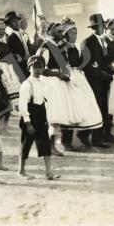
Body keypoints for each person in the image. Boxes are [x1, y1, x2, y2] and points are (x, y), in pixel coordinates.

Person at [59, 17, 106, 150]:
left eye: (76, 33)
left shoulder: (74, 47)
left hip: (78, 78)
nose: (75, 36)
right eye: (72, 33)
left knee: (84, 106)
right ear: (66, 35)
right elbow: (61, 64)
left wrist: (90, 64)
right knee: (70, 109)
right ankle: (65, 140)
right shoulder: (62, 48)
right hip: (67, 79)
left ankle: (83, 134)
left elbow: (80, 64)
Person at [18, 55, 59, 180]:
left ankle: (48, 171)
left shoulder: (43, 81)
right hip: (30, 115)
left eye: (40, 67)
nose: (37, 70)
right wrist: (28, 122)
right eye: (34, 67)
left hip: (41, 114)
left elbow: (45, 98)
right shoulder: (27, 84)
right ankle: (21, 171)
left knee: (45, 143)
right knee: (26, 143)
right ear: (29, 68)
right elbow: (22, 104)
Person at [36, 22, 74, 155]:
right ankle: (49, 146)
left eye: (61, 31)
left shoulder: (59, 46)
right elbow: (41, 70)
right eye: (57, 32)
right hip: (49, 83)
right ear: (50, 33)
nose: (61, 34)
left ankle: (54, 145)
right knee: (51, 116)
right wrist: (58, 74)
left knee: (57, 116)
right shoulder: (46, 47)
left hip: (59, 83)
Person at [79, 14, 114, 148]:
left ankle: (96, 137)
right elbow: (85, 65)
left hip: (104, 81)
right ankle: (86, 135)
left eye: (101, 26)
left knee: (103, 109)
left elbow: (104, 60)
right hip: (93, 82)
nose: (100, 29)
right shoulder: (87, 42)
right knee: (96, 108)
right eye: (96, 27)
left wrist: (110, 68)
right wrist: (100, 73)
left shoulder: (103, 42)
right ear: (93, 28)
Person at [5, 11, 31, 79]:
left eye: (17, 20)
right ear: (9, 24)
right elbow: (9, 55)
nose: (16, 23)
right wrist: (19, 58)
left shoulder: (21, 34)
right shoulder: (10, 37)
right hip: (20, 68)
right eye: (13, 21)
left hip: (28, 65)